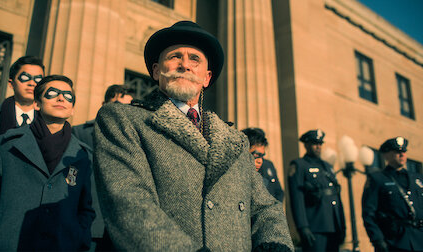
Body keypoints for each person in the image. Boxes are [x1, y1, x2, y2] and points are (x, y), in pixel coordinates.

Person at [93, 20, 293, 251]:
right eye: (175, 56)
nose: (185, 65)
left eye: (194, 59)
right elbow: (128, 202)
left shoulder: (236, 140)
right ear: (157, 71)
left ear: (207, 78)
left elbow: (265, 206)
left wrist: (276, 243)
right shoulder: (124, 120)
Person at [0, 75, 95, 251]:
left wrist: (78, 237)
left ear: (72, 110)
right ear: (37, 104)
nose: (61, 98)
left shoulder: (84, 156)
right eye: (53, 93)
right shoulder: (5, 145)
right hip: (8, 245)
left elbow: (86, 209)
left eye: (68, 96)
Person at [72, 84, 133, 251]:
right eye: (118, 105)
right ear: (104, 104)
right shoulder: (79, 133)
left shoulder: (138, 139)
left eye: (129, 107)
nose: (123, 111)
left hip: (125, 228)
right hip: (90, 224)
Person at [0, 56, 44, 172]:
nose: (32, 83)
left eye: (38, 80)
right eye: (25, 78)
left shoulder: (47, 123)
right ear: (11, 83)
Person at [362, 137, 423, 252]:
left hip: (420, 239)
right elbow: (369, 214)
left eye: (404, 152)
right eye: (397, 152)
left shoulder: (418, 179)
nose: (402, 155)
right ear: (386, 155)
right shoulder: (377, 179)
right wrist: (377, 240)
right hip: (395, 241)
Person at [288, 129, 346, 251]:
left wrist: (342, 225)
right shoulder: (299, 165)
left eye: (320, 144)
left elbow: (336, 197)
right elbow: (297, 198)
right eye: (314, 143)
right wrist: (302, 226)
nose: (318, 147)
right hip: (315, 226)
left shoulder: (327, 167)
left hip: (333, 225)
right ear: (306, 145)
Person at [241, 127, 284, 202]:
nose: (260, 161)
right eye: (256, 156)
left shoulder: (268, 165)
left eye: (262, 156)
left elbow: (279, 192)